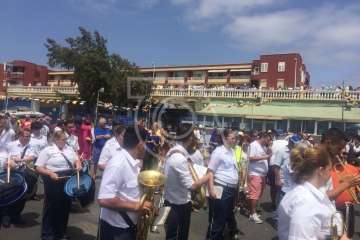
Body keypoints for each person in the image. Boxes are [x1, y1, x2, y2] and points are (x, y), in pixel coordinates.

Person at [278, 146, 349, 240]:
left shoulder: (313, 192)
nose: (331, 173)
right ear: (321, 171)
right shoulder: (305, 203)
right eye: (329, 169)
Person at [97, 127, 152, 240]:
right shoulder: (118, 164)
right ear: (141, 144)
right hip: (116, 231)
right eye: (145, 144)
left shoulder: (133, 162)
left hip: (128, 226)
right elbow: (104, 199)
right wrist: (137, 206)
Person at [164, 123, 209, 240]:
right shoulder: (180, 159)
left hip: (171, 199)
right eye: (193, 137)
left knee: (172, 234)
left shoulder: (171, 152)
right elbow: (192, 186)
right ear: (189, 138)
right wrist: (208, 176)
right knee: (179, 235)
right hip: (179, 204)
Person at [35, 131, 81, 240]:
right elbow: (38, 167)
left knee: (65, 207)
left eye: (66, 139)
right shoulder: (47, 150)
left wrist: (78, 164)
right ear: (56, 140)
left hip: (68, 178)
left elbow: (76, 159)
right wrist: (50, 173)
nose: (65, 141)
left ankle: (61, 233)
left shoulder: (69, 149)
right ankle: (47, 234)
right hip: (53, 179)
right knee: (51, 207)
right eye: (63, 139)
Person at [0, 128, 37, 227]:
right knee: (8, 194)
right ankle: (5, 216)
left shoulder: (31, 146)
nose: (28, 138)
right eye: (26, 136)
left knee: (22, 196)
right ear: (20, 136)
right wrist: (9, 161)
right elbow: (5, 157)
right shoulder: (10, 145)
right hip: (11, 173)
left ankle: (16, 215)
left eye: (29, 136)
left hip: (24, 174)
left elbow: (32, 157)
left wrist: (19, 160)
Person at [207, 129, 239, 240]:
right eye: (233, 138)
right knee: (218, 219)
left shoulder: (231, 151)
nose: (235, 140)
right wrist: (211, 189)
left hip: (230, 189)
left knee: (225, 216)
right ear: (225, 138)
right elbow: (210, 172)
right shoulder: (218, 152)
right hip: (221, 187)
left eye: (235, 138)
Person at [320, 128, 360, 209]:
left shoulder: (329, 164)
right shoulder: (314, 163)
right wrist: (347, 184)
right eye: (339, 149)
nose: (341, 153)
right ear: (328, 143)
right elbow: (319, 198)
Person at [247, 132, 272, 224]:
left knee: (259, 194)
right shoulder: (254, 145)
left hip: (262, 174)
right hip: (255, 173)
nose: (269, 142)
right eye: (268, 140)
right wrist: (265, 157)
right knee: (254, 194)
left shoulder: (263, 146)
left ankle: (253, 211)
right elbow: (250, 158)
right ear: (263, 137)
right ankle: (252, 214)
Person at [272, 134, 302, 206]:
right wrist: (277, 179)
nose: (293, 144)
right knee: (281, 200)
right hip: (283, 180)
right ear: (289, 141)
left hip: (293, 180)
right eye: (292, 142)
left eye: (295, 143)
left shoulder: (297, 152)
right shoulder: (281, 151)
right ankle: (278, 215)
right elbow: (276, 166)